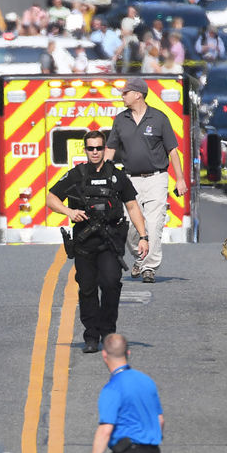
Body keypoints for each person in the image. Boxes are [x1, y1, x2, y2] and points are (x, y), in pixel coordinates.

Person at [46, 131, 150, 353]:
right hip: (84, 243)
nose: (95, 152)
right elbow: (51, 198)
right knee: (87, 288)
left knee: (111, 283)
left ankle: (108, 331)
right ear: (85, 150)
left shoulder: (116, 176)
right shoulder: (77, 175)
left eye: (99, 148)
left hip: (110, 240)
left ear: (105, 149)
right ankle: (91, 336)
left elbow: (132, 206)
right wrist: (69, 211)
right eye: (91, 148)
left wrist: (143, 237)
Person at [104, 78, 188, 283]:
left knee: (154, 222)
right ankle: (139, 258)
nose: (122, 96)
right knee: (130, 225)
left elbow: (173, 151)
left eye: (126, 93)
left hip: (156, 178)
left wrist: (180, 179)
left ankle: (149, 267)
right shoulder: (120, 120)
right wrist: (103, 175)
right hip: (129, 179)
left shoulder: (159, 118)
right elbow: (110, 148)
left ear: (138, 95)